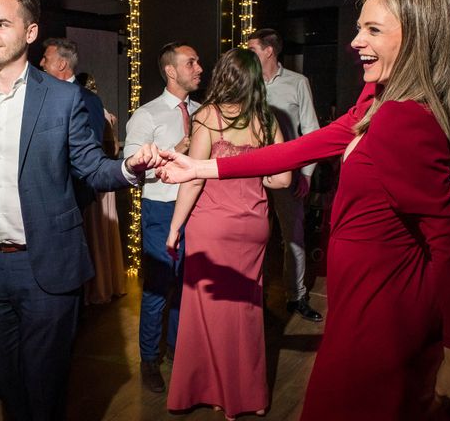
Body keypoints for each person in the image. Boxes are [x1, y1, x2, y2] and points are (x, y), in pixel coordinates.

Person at [158, 0, 450, 419]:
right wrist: (202, 165)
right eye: (357, 27)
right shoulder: (378, 99)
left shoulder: (403, 118)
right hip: (356, 302)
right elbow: (306, 146)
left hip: (382, 311)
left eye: (372, 29)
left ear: (417, 37)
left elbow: (448, 244)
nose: (355, 41)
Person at [0, 0, 160, 421]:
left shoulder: (63, 99)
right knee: (5, 382)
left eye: (1, 23)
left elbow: (92, 168)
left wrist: (131, 167)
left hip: (47, 268)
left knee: (46, 383)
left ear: (31, 32)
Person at [165, 48, 290, 420]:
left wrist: (174, 229)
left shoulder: (207, 116)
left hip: (212, 226)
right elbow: (283, 178)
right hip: (252, 225)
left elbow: (194, 178)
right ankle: (244, 397)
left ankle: (209, 391)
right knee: (245, 310)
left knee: (206, 311)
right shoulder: (266, 120)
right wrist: (261, 177)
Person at [124, 41, 202, 393]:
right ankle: (149, 361)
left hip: (197, 210)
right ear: (171, 71)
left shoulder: (202, 113)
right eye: (191, 63)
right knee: (158, 290)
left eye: (198, 62)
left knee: (187, 287)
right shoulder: (147, 115)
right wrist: (175, 152)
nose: (199, 68)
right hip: (160, 210)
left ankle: (175, 350)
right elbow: (132, 168)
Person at [40, 40, 126, 301]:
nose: (40, 63)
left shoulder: (86, 98)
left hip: (73, 192)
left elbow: (90, 149)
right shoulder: (41, 95)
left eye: (45, 58)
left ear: (61, 64)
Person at [247, 28, 323, 322]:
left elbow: (312, 131)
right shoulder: (248, 83)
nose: (248, 52)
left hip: (288, 174)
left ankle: (297, 297)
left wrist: (305, 174)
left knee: (293, 237)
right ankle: (257, 300)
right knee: (255, 238)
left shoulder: (297, 83)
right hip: (253, 174)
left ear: (269, 50)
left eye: (252, 48)